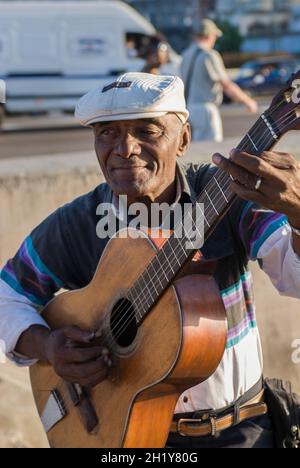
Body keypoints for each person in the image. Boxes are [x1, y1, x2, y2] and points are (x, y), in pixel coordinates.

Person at [1, 72, 300, 448]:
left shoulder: (229, 196)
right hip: (126, 438)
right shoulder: (79, 222)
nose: (125, 148)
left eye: (148, 130)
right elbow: (7, 295)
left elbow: (296, 278)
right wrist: (48, 347)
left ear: (184, 139)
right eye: (107, 133)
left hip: (241, 432)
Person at [181, 19, 258, 142]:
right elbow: (226, 84)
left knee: (195, 150)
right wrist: (247, 101)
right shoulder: (209, 55)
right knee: (210, 151)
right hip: (205, 110)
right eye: (214, 36)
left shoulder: (186, 54)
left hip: (188, 108)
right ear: (209, 35)